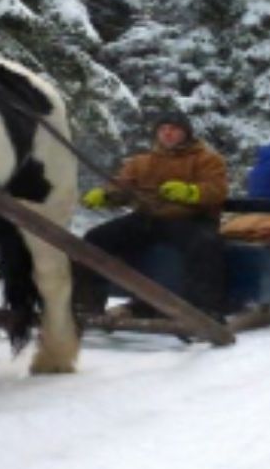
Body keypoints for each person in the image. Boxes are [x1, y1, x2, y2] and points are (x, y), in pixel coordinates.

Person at [74, 111, 229, 318]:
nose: (168, 134)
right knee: (95, 238)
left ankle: (203, 310)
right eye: (163, 129)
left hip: (191, 219)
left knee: (205, 245)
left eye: (174, 129)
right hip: (148, 219)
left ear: (186, 134)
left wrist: (190, 192)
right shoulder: (141, 161)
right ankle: (86, 302)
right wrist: (106, 195)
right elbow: (123, 187)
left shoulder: (207, 159)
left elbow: (217, 190)